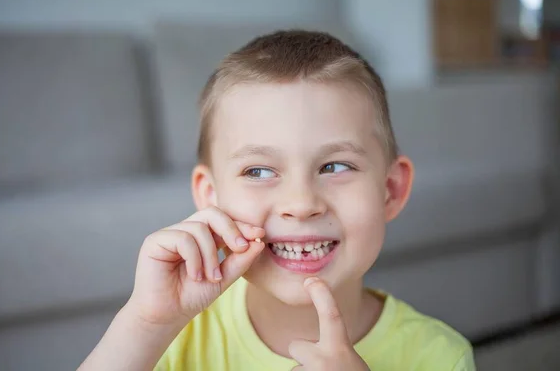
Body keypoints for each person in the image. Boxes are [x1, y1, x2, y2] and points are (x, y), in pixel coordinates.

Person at [79, 30, 475, 370]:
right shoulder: (174, 332)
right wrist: (146, 324)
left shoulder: (439, 356)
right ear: (210, 197)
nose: (301, 204)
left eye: (335, 167)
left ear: (390, 191)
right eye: (259, 171)